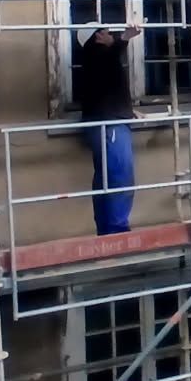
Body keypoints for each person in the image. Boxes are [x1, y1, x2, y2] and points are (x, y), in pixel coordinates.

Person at [77, 23, 140, 235]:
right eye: (104, 32)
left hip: (107, 121)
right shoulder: (95, 54)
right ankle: (117, 230)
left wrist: (129, 112)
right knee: (119, 176)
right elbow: (112, 55)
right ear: (95, 38)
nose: (109, 34)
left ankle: (106, 229)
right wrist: (124, 38)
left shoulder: (97, 59)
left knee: (105, 178)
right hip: (110, 124)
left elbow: (110, 88)